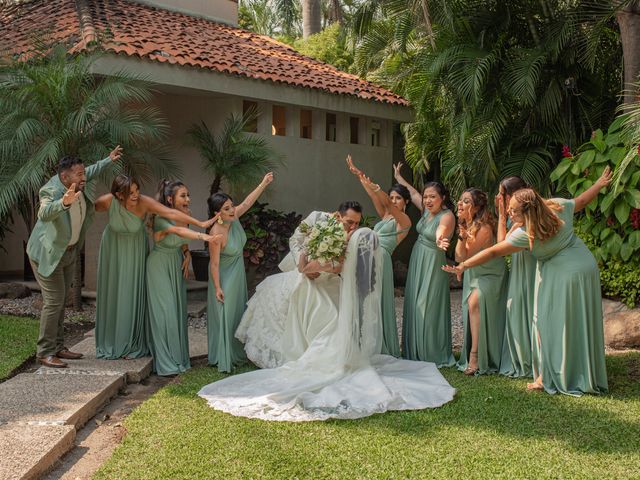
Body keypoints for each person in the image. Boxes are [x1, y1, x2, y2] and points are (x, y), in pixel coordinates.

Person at [198, 228, 456, 421]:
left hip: (341, 316)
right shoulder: (367, 270)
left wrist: (310, 255)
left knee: (326, 344)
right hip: (353, 320)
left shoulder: (341, 263)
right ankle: (344, 360)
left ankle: (333, 361)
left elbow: (306, 268)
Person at [443, 167, 611, 395]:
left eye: (513, 211)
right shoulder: (556, 206)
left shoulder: (524, 233)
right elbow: (581, 200)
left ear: (527, 211)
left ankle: (548, 376)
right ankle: (568, 371)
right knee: (572, 320)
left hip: (563, 274)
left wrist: (464, 265)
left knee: (546, 323)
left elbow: (493, 252)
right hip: (585, 267)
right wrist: (599, 184)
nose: (509, 213)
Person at [94, 175, 215, 360]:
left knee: (131, 293)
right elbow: (87, 210)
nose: (135, 195)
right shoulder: (107, 201)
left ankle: (132, 341)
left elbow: (172, 215)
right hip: (112, 249)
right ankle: (110, 339)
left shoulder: (144, 202)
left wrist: (201, 225)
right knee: (113, 292)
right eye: (130, 193)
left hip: (135, 250)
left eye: (137, 190)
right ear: (119, 195)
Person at [235, 199, 363, 369]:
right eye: (350, 222)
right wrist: (303, 267)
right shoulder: (317, 217)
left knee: (332, 309)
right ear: (339, 216)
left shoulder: (352, 234)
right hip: (303, 268)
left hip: (328, 275)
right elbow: (295, 240)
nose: (354, 227)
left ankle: (332, 353)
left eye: (357, 223)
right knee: (289, 290)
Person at [27, 146, 122, 368]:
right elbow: (44, 212)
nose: (84, 177)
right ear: (64, 176)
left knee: (60, 302)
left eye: (83, 173)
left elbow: (92, 169)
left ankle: (58, 347)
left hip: (68, 252)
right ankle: (45, 352)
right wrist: (65, 203)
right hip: (48, 254)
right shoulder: (51, 190)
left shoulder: (76, 179)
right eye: (80, 174)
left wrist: (108, 159)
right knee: (53, 302)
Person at [147, 180, 218, 376]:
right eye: (183, 195)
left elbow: (182, 240)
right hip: (159, 266)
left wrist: (186, 253)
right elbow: (178, 231)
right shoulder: (161, 217)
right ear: (170, 199)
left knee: (177, 311)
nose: (188, 199)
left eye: (188, 195)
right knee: (166, 312)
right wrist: (204, 237)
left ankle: (178, 358)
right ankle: (166, 362)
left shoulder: (186, 216)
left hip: (176, 265)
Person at [207, 173, 273, 373]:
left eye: (231, 206)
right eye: (227, 209)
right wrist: (218, 287)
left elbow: (247, 203)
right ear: (217, 213)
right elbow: (214, 264)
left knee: (237, 313)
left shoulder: (233, 218)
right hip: (224, 276)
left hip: (237, 273)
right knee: (225, 314)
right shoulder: (216, 233)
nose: (232, 210)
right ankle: (223, 355)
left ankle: (237, 352)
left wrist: (263, 183)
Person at [346, 155, 411, 357]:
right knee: (364, 298)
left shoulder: (404, 220)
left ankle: (380, 346)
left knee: (377, 300)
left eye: (397, 198)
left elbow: (384, 201)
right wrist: (360, 177)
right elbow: (376, 198)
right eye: (391, 197)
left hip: (381, 258)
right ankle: (363, 342)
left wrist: (376, 187)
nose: (393, 201)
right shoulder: (386, 216)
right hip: (367, 255)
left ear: (406, 202)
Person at [394, 164, 456, 366]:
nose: (428, 200)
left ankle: (430, 351)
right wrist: (399, 177)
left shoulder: (446, 215)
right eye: (426, 196)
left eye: (432, 197)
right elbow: (411, 193)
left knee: (427, 304)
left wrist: (441, 240)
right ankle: (414, 350)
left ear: (443, 198)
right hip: (418, 257)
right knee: (414, 302)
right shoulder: (426, 210)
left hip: (432, 261)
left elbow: (442, 231)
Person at [442, 189, 507, 375]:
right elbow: (459, 256)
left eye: (466, 202)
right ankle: (476, 351)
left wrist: (461, 265)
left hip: (491, 275)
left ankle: (475, 355)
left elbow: (467, 257)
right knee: (472, 306)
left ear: (477, 207)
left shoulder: (484, 228)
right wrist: (461, 236)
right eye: (460, 201)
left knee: (474, 302)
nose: (460, 205)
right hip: (474, 273)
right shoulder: (466, 226)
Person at [495, 176, 536, 378]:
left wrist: (503, 216)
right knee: (516, 309)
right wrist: (503, 216)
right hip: (519, 265)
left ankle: (531, 360)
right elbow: (502, 242)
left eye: (502, 194)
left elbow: (501, 246)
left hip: (530, 266)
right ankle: (520, 357)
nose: (499, 198)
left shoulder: (527, 213)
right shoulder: (512, 215)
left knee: (527, 308)